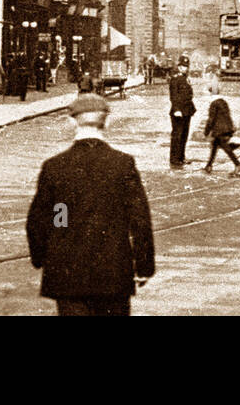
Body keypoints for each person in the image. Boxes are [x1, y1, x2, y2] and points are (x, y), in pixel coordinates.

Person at [26, 93, 155, 315]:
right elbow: (139, 219)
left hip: (68, 274)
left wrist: (43, 258)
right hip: (113, 274)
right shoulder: (123, 165)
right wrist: (144, 267)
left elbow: (47, 219)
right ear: (108, 121)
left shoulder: (56, 167)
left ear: (71, 121)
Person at [201, 82, 240, 175]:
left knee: (225, 147)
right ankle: (209, 165)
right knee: (214, 146)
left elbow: (211, 119)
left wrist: (206, 132)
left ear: (211, 93)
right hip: (226, 128)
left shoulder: (214, 103)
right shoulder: (223, 101)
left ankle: (238, 164)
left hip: (219, 130)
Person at [168, 62, 196, 169]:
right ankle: (174, 159)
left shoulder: (186, 79)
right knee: (177, 136)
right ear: (179, 67)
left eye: (187, 66)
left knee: (184, 135)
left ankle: (181, 157)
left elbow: (189, 95)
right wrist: (177, 109)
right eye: (184, 66)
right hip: (178, 112)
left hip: (187, 111)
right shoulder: (175, 79)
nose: (185, 68)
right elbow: (173, 96)